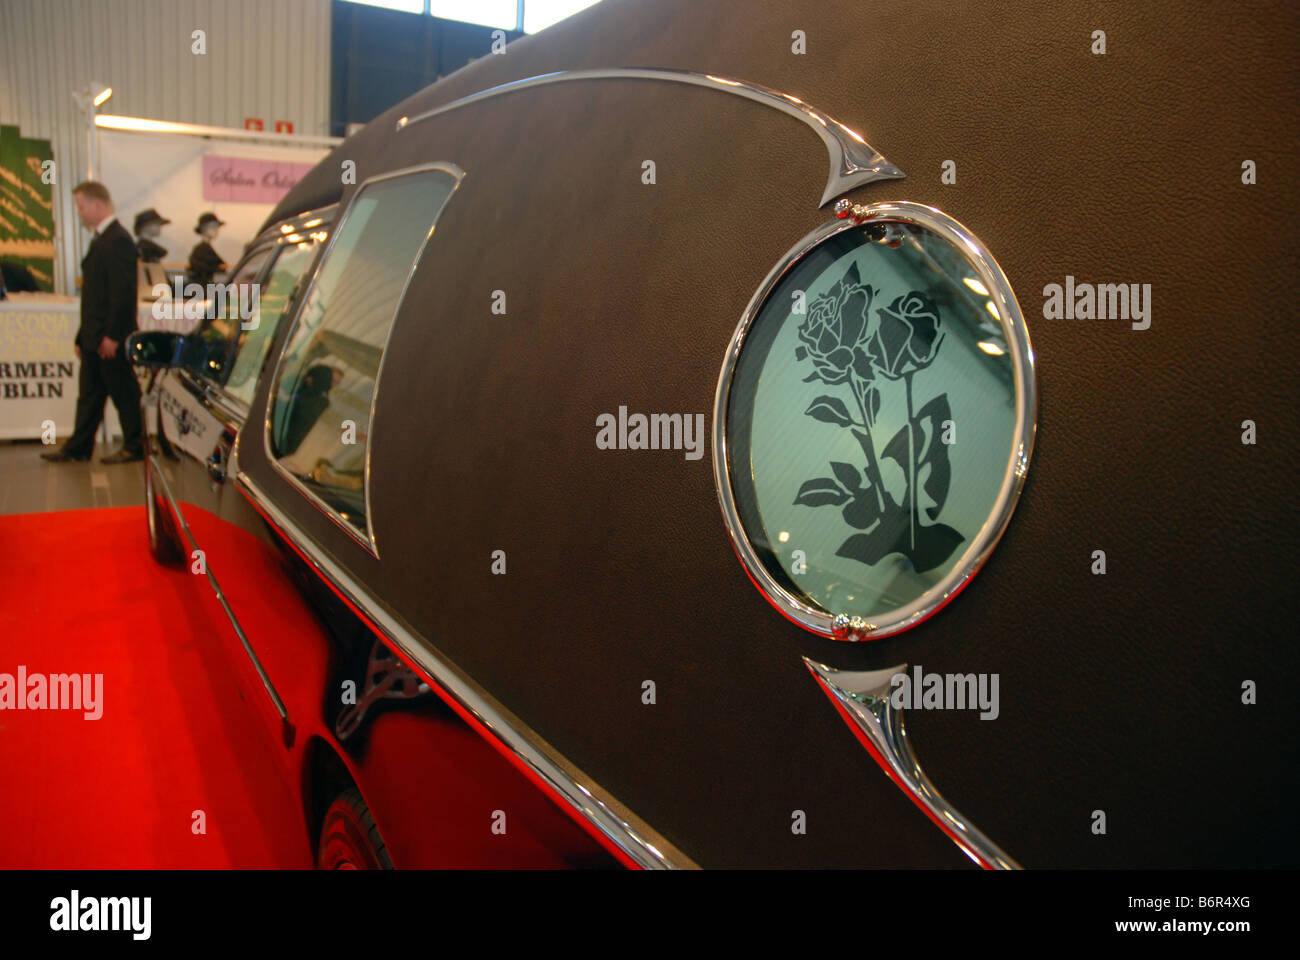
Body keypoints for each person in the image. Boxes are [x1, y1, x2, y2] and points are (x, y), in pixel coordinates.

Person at [41, 181, 143, 464]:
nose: (79, 212)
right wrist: (81, 336)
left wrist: (112, 335)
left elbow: (122, 295)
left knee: (124, 393)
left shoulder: (118, 239)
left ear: (97, 204)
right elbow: (95, 296)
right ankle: (78, 448)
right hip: (93, 337)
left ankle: (136, 445)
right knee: (89, 397)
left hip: (108, 337)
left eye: (80, 206)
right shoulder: (103, 239)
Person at [187, 212, 227, 287]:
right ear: (203, 229)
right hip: (202, 289)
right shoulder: (201, 250)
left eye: (216, 227)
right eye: (212, 227)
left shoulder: (206, 247)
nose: (216, 230)